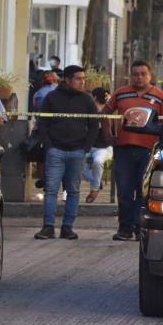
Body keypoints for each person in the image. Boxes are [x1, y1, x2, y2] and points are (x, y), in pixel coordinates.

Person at [102, 60, 163, 241]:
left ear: (150, 76)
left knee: (143, 192)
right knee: (124, 192)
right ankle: (124, 229)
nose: (139, 77)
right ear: (130, 75)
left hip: (148, 151)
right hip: (123, 150)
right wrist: (108, 135)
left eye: (143, 74)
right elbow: (104, 113)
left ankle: (140, 229)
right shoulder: (121, 93)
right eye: (135, 74)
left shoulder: (160, 96)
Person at [35, 65, 99, 240]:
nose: (82, 82)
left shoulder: (87, 100)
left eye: (83, 78)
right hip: (55, 151)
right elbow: (43, 123)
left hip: (77, 152)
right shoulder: (52, 97)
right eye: (78, 78)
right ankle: (48, 227)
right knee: (51, 191)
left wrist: (85, 147)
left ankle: (67, 227)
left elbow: (94, 125)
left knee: (73, 191)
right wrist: (49, 145)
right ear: (68, 80)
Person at [82, 87, 113, 203]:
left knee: (97, 161)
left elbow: (107, 135)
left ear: (94, 98)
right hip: (89, 147)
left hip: (104, 148)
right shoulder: (87, 112)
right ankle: (95, 181)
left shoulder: (107, 113)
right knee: (76, 160)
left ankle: (94, 190)